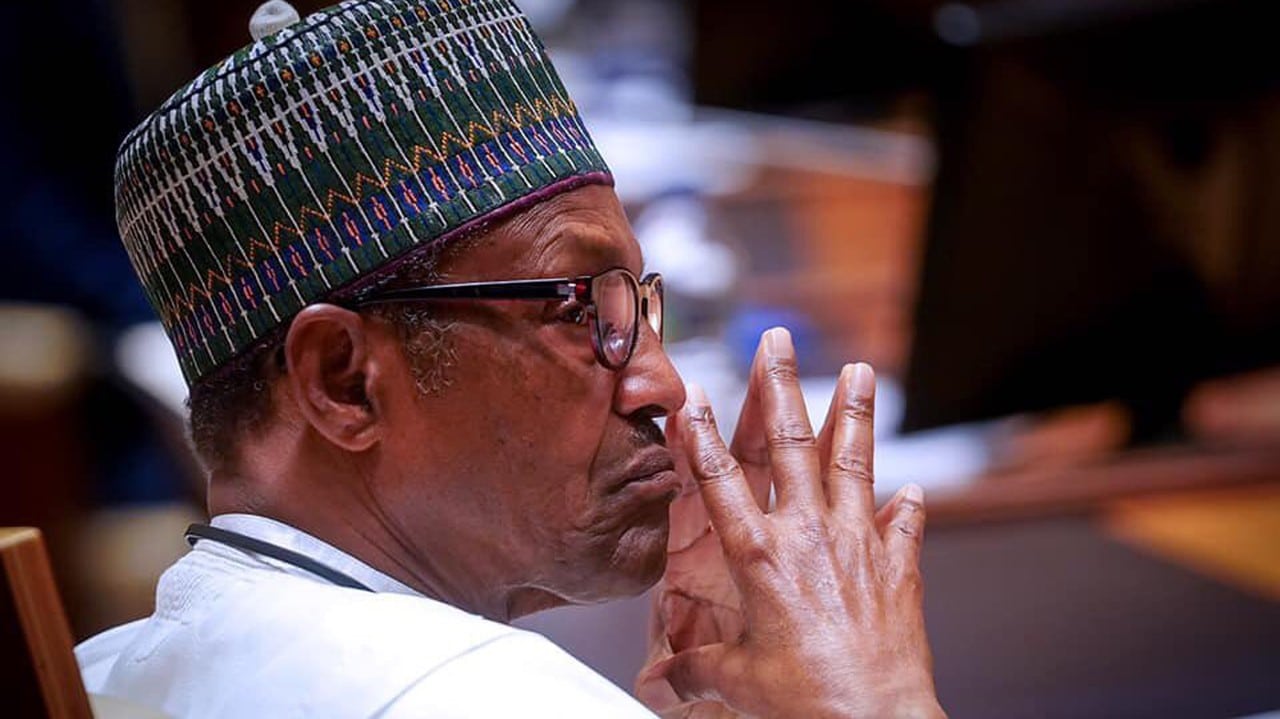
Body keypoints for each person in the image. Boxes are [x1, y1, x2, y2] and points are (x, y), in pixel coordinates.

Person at [74, 1, 945, 716]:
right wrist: (877, 701)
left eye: (638, 306)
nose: (664, 386)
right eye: (579, 309)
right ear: (345, 380)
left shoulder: (92, 676)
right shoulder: (486, 696)